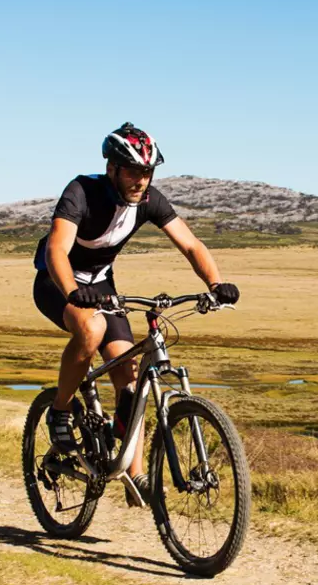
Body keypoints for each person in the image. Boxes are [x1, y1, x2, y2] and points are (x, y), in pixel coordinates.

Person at [32, 123, 238, 457]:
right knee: (91, 327)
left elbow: (190, 245)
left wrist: (215, 284)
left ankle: (136, 477)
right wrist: (72, 291)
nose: (141, 180)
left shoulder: (149, 200)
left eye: (147, 172)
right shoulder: (82, 191)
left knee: (129, 378)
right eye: (132, 171)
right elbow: (56, 250)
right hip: (57, 281)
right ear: (111, 168)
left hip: (100, 284)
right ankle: (61, 409)